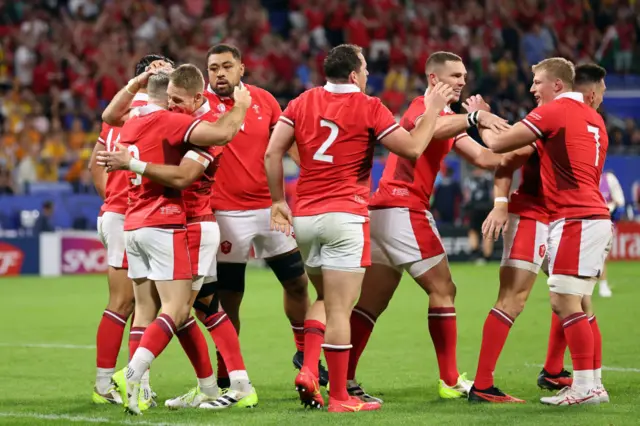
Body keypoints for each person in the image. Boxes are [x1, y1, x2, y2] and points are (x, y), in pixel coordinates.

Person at [265, 43, 454, 412]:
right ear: (354, 74)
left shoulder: (301, 101)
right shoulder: (370, 107)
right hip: (346, 216)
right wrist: (431, 110)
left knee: (322, 299)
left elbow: (273, 152)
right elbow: (414, 149)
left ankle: (307, 367)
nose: (368, 75)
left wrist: (277, 201)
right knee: (340, 308)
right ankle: (339, 397)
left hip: (304, 216)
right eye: (365, 70)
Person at [346, 51, 507, 403]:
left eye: (464, 75)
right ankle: (449, 379)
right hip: (404, 207)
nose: (463, 81)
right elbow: (433, 126)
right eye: (455, 75)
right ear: (434, 79)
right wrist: (476, 116)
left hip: (382, 211)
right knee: (444, 289)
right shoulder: (424, 106)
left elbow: (484, 157)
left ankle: (344, 377)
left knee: (371, 303)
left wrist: (526, 140)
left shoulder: (447, 116)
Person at [98, 64, 258, 410]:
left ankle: (140, 376)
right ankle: (215, 386)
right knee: (193, 308)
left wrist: (240, 107)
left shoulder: (204, 125)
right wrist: (138, 81)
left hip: (193, 224)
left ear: (197, 97)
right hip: (168, 223)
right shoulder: (169, 121)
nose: (171, 105)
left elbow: (186, 174)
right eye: (168, 98)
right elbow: (111, 116)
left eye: (177, 99)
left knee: (184, 308)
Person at [478, 58, 611, 406]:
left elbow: (499, 150)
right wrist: (500, 201)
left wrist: (479, 118)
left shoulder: (554, 115)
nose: (532, 88)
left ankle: (584, 386)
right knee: (575, 298)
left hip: (565, 217)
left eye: (537, 82)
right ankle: (583, 380)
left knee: (562, 298)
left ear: (558, 85)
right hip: (576, 216)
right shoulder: (595, 121)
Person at [202, 44, 319, 388]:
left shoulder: (264, 100)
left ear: (241, 68)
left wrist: (311, 171)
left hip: (270, 209)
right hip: (224, 213)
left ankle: (303, 355)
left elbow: (285, 143)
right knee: (229, 298)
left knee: (297, 282)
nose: (220, 73)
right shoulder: (198, 104)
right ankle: (227, 372)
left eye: (226, 66)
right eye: (213, 68)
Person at [89, 54, 174, 407]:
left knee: (140, 303)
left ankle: (122, 381)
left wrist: (109, 196)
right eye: (165, 71)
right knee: (128, 302)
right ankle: (108, 384)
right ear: (150, 76)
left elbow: (96, 158)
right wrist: (118, 201)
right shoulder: (146, 111)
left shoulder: (117, 113)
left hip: (121, 211)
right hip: (131, 214)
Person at [596, 169, 624, 297]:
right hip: (585, 220)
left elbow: (620, 202)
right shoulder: (583, 179)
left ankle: (603, 285)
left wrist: (610, 209)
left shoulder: (609, 179)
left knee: (600, 254)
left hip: (605, 220)